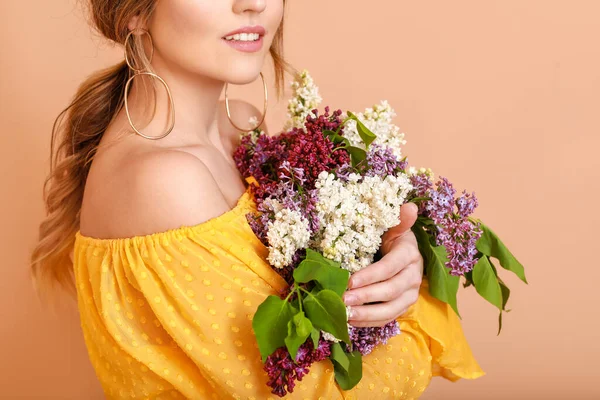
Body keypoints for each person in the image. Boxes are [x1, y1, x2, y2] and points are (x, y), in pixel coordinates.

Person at [30, 1, 484, 398]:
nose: (254, 3)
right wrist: (414, 304)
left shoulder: (240, 131)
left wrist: (394, 253)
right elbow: (332, 390)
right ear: (132, 10)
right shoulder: (163, 180)